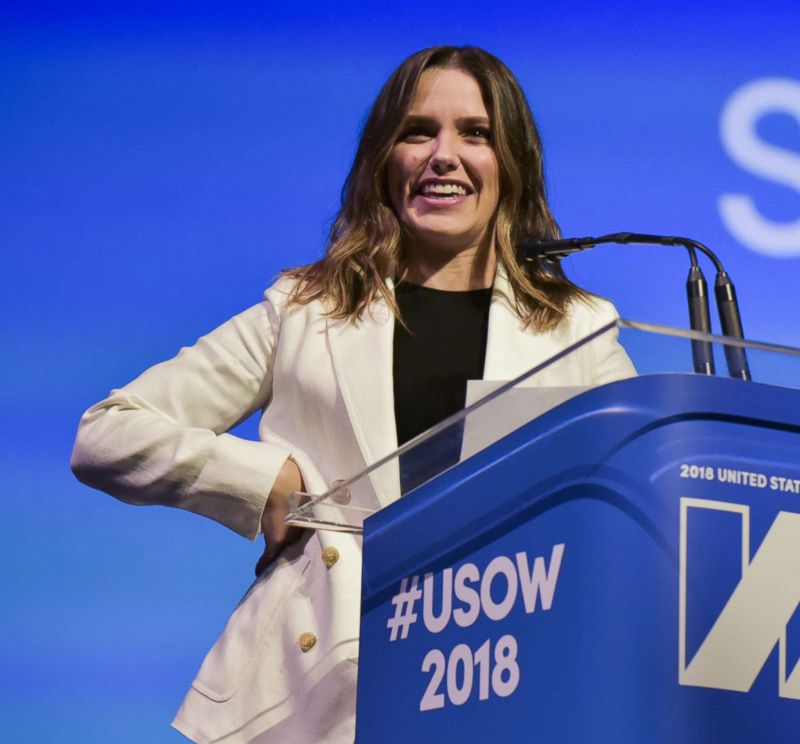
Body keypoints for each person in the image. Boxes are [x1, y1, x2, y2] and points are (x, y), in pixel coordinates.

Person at [71, 45, 634, 743]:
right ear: (383, 159)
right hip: (318, 699)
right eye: (418, 131)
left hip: (501, 687)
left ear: (512, 163)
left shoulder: (577, 331)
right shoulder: (307, 309)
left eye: (476, 133)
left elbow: (636, 500)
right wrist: (262, 481)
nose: (444, 156)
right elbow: (107, 431)